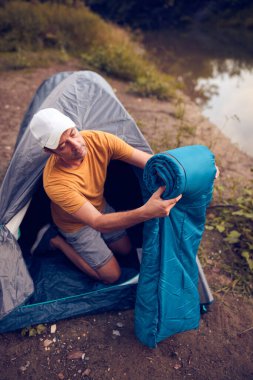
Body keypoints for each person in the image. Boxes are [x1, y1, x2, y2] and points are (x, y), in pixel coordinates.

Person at [29, 108, 182, 284]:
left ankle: (100, 248)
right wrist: (147, 211)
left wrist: (189, 169)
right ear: (50, 151)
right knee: (111, 276)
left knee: (126, 250)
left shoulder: (98, 140)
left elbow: (150, 162)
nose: (76, 145)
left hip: (100, 206)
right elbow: (98, 223)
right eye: (63, 146)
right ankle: (55, 240)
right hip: (75, 225)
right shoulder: (55, 183)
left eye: (73, 133)